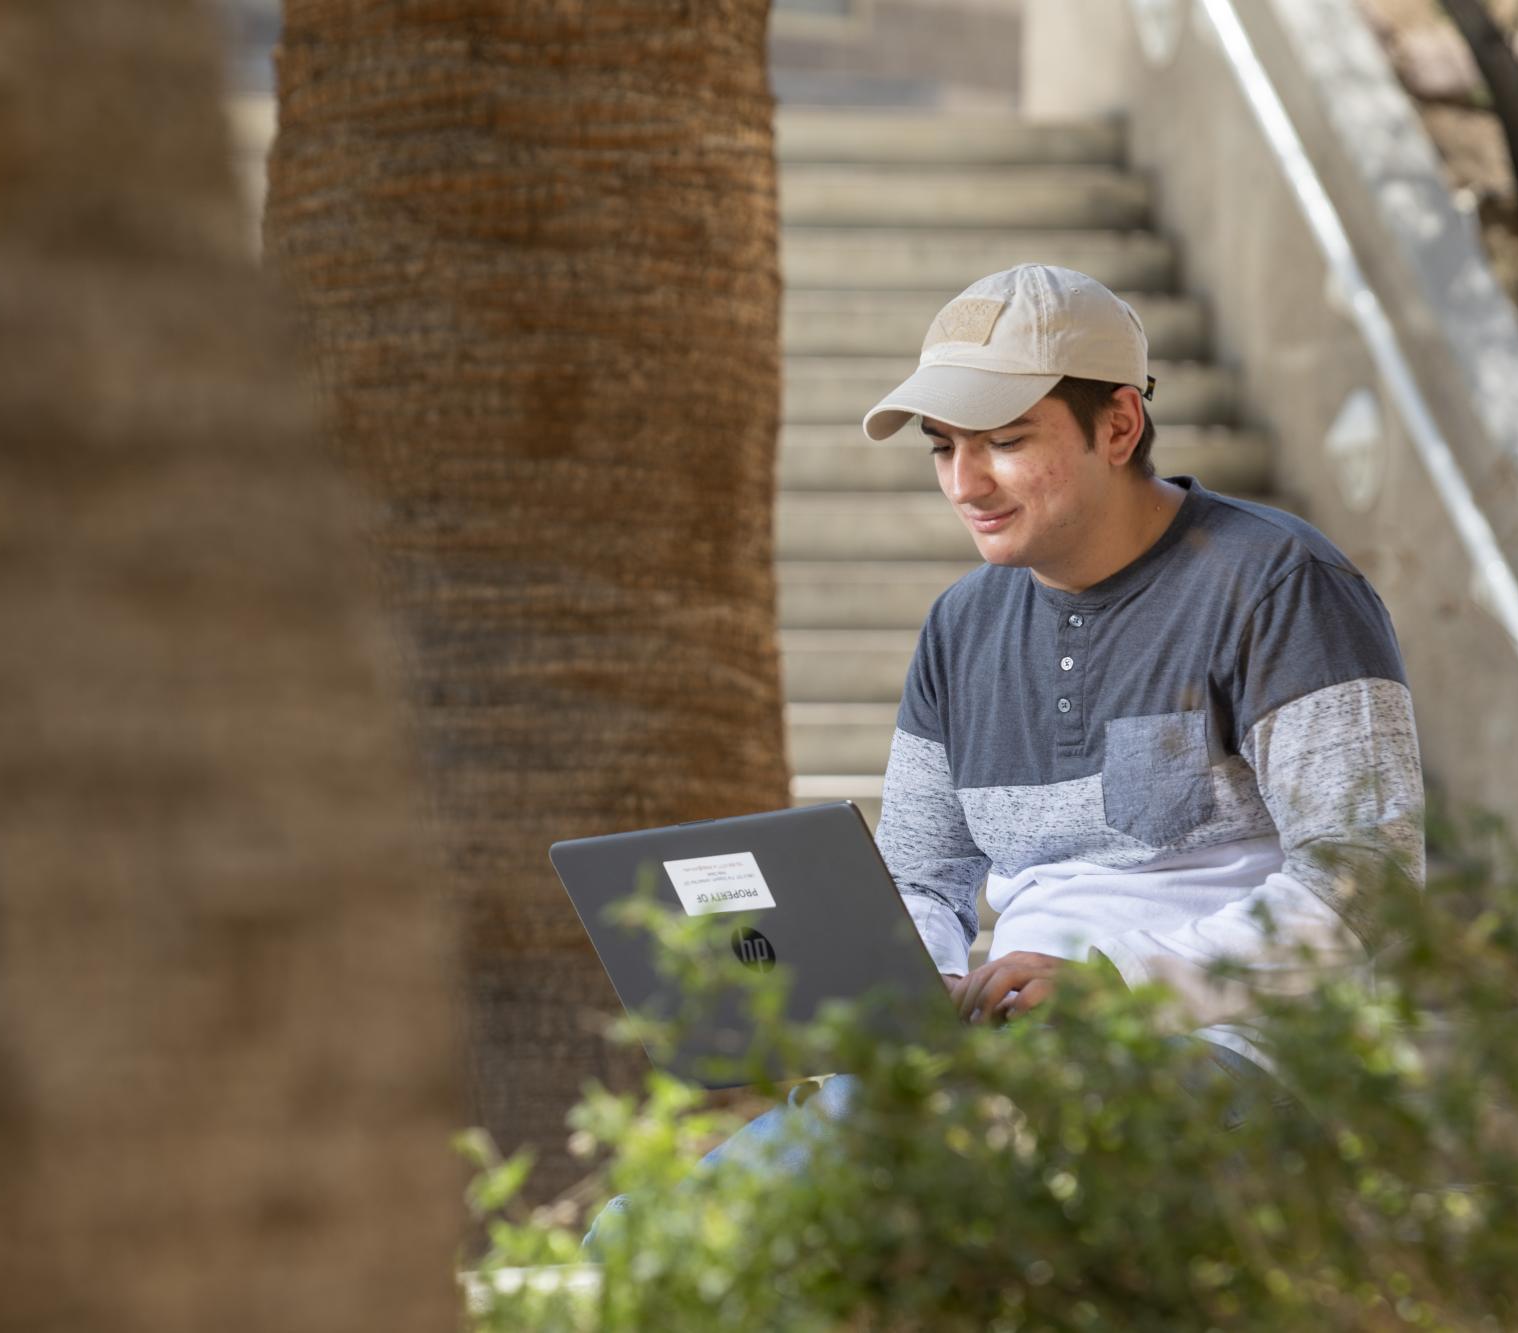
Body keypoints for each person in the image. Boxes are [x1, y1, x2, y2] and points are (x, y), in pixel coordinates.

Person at [582, 263, 1424, 1254]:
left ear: (1116, 426)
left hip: (1229, 1052)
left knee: (875, 1213)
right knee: (642, 1239)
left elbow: (1365, 884)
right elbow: (924, 881)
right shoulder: (961, 626)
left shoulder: (1278, 584)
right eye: (943, 448)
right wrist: (907, 991)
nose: (962, 483)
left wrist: (1113, 988)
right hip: (998, 1059)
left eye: (1004, 443)